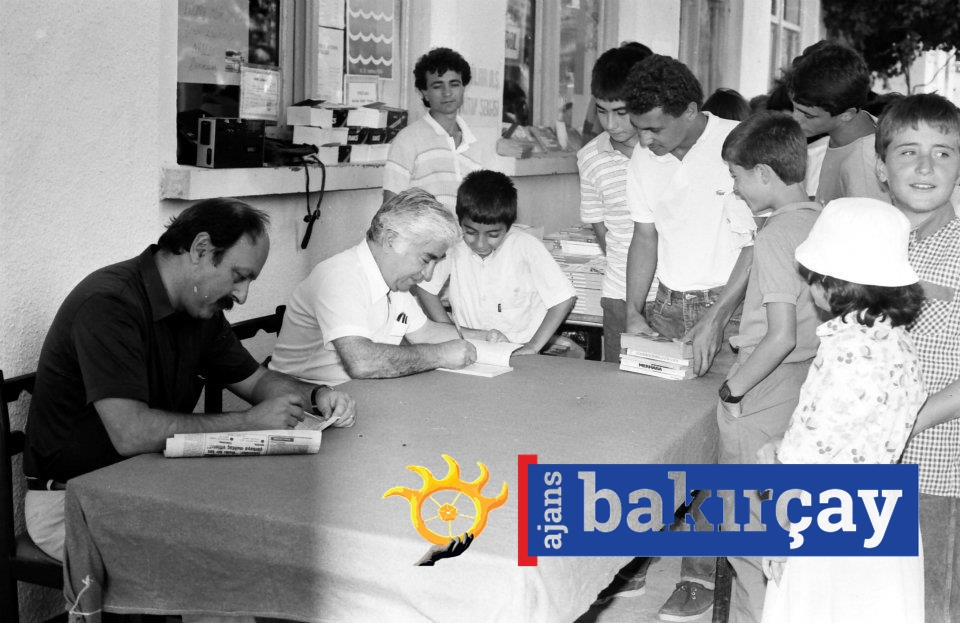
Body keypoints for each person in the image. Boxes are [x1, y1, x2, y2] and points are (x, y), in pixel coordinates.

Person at [23, 198, 357, 563]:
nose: (242, 295)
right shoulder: (109, 304)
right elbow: (130, 433)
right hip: (72, 501)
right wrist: (249, 423)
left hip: (151, 485)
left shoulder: (199, 310)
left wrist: (316, 396)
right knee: (220, 556)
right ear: (201, 249)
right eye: (239, 276)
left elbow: (256, 381)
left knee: (279, 524)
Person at [622, 54, 756, 622]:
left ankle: (698, 574)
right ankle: (630, 558)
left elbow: (759, 243)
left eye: (655, 127)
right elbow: (644, 237)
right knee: (651, 441)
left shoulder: (738, 144)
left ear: (691, 111)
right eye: (639, 128)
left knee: (716, 450)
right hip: (669, 307)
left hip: (732, 308)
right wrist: (634, 312)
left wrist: (717, 318)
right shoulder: (644, 157)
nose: (644, 140)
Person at [759, 197, 926, 623]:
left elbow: (809, 456)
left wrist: (781, 529)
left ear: (830, 284)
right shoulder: (898, 342)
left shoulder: (845, 352)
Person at [717, 112, 822, 621]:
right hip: (806, 382)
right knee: (780, 523)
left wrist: (733, 390)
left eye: (736, 177)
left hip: (763, 384)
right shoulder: (821, 218)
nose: (735, 189)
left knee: (746, 535)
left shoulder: (776, 234)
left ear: (762, 173)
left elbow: (780, 335)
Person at [269, 188, 505, 385]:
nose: (428, 275)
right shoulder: (341, 276)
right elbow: (362, 362)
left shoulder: (393, 281)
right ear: (391, 240)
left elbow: (425, 332)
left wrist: (486, 337)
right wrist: (441, 355)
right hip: (305, 405)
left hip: (357, 397)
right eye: (426, 259)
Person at [876, 93, 960, 622]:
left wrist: (903, 424)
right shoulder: (862, 245)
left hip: (936, 470)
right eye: (908, 151)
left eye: (943, 153)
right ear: (881, 168)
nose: (926, 167)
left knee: (932, 605)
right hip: (859, 462)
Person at [418, 170, 579, 356]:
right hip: (471, 350)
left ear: (508, 226)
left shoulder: (526, 246)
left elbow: (563, 299)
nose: (480, 244)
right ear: (460, 222)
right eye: (470, 232)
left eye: (493, 235)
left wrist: (533, 346)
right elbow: (425, 289)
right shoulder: (454, 245)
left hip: (520, 352)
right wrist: (449, 332)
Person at [577, 43, 652, 362]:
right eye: (602, 111)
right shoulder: (590, 157)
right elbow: (602, 231)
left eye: (622, 113)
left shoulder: (666, 152)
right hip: (619, 294)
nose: (611, 124)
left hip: (674, 296)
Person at [383, 47, 484, 211]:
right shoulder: (408, 140)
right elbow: (389, 210)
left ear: (463, 88)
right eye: (437, 86)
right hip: (422, 228)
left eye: (454, 84)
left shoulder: (474, 142)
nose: (447, 93)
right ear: (424, 93)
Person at [788, 41, 889, 204]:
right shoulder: (849, 135)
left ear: (847, 115)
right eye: (794, 108)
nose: (795, 118)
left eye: (808, 115)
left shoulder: (864, 167)